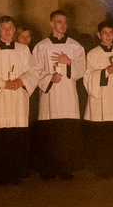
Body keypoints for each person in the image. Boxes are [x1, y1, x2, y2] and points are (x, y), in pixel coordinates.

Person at [0, 16, 40, 185]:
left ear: (14, 30)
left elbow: (33, 71)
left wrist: (21, 81)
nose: (7, 31)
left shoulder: (23, 50)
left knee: (15, 137)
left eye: (10, 28)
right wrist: (2, 83)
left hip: (17, 97)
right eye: (3, 28)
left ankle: (15, 173)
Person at [32, 10, 86, 180]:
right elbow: (34, 71)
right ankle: (48, 169)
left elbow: (82, 69)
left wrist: (68, 61)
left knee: (66, 135)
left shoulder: (75, 46)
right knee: (50, 134)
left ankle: (65, 168)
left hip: (68, 96)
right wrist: (50, 78)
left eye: (65, 22)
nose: (63, 25)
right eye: (59, 22)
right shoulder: (41, 46)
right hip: (49, 96)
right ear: (51, 24)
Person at [84, 20, 113, 178]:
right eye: (105, 33)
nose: (108, 36)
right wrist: (105, 72)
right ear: (99, 35)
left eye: (111, 33)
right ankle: (100, 167)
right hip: (101, 100)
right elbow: (88, 77)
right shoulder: (93, 54)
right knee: (101, 137)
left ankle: (112, 167)